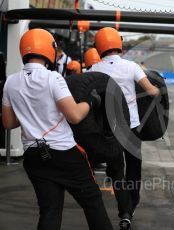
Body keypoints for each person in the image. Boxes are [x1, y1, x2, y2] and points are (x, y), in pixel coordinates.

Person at [2, 29, 113, 230]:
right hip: (64, 154)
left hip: (34, 157)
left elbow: (8, 123)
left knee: (50, 210)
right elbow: (75, 116)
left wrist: (30, 115)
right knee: (92, 201)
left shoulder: (11, 82)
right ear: (49, 49)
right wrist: (90, 101)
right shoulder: (53, 78)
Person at [88, 27, 159, 229]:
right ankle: (132, 203)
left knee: (115, 168)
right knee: (133, 167)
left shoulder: (94, 69)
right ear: (118, 44)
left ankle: (120, 205)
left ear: (99, 46)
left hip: (108, 128)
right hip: (132, 126)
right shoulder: (131, 66)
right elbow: (152, 91)